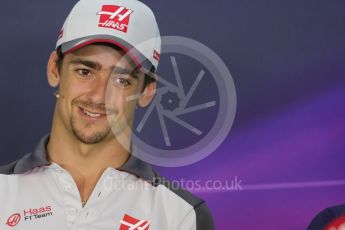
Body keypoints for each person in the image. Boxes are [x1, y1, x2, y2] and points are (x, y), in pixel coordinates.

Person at [0, 0, 214, 229]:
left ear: (147, 91)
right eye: (85, 71)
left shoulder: (179, 216)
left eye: (122, 80)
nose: (99, 96)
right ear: (54, 69)